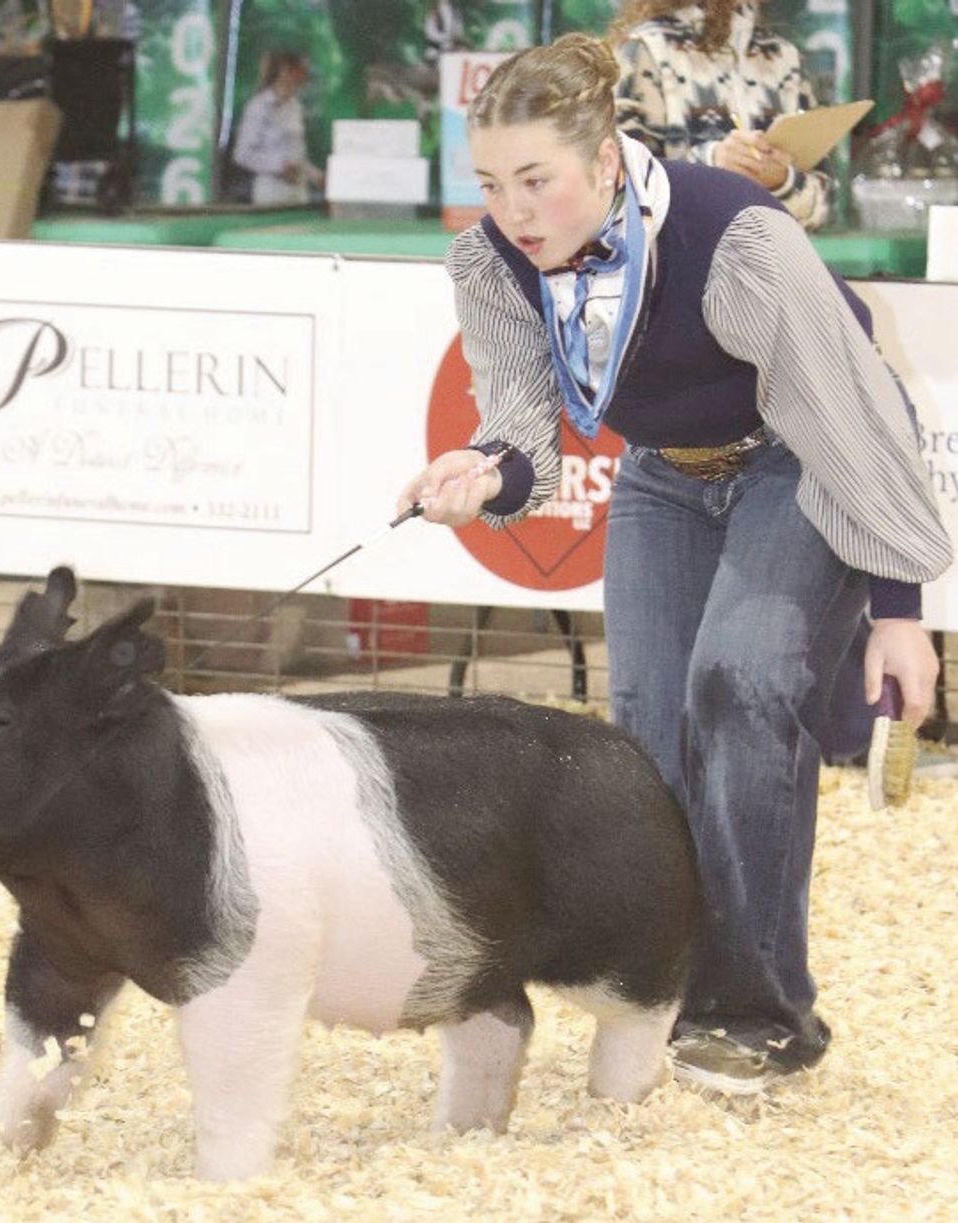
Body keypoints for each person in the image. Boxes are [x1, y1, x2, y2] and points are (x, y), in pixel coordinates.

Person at [398, 33, 952, 1094]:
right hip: (664, 475)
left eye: (537, 180)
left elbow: (854, 415)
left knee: (740, 684)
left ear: (605, 164)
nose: (514, 211)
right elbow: (527, 434)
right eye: (491, 183)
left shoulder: (732, 235)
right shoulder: (492, 263)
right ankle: (671, 995)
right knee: (648, 737)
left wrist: (897, 606)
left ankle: (764, 1015)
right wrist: (483, 474)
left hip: (802, 458)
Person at [612, 1, 831, 230]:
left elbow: (826, 204)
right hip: (687, 263)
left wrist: (783, 180)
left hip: (771, 261)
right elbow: (622, 189)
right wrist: (711, 162)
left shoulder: (785, 58)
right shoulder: (645, 49)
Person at [231, 49, 324, 206]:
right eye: (300, 71)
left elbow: (297, 155)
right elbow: (242, 154)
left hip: (299, 191)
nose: (304, 78)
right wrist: (279, 166)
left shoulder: (295, 106)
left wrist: (316, 176)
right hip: (271, 192)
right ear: (285, 72)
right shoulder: (259, 106)